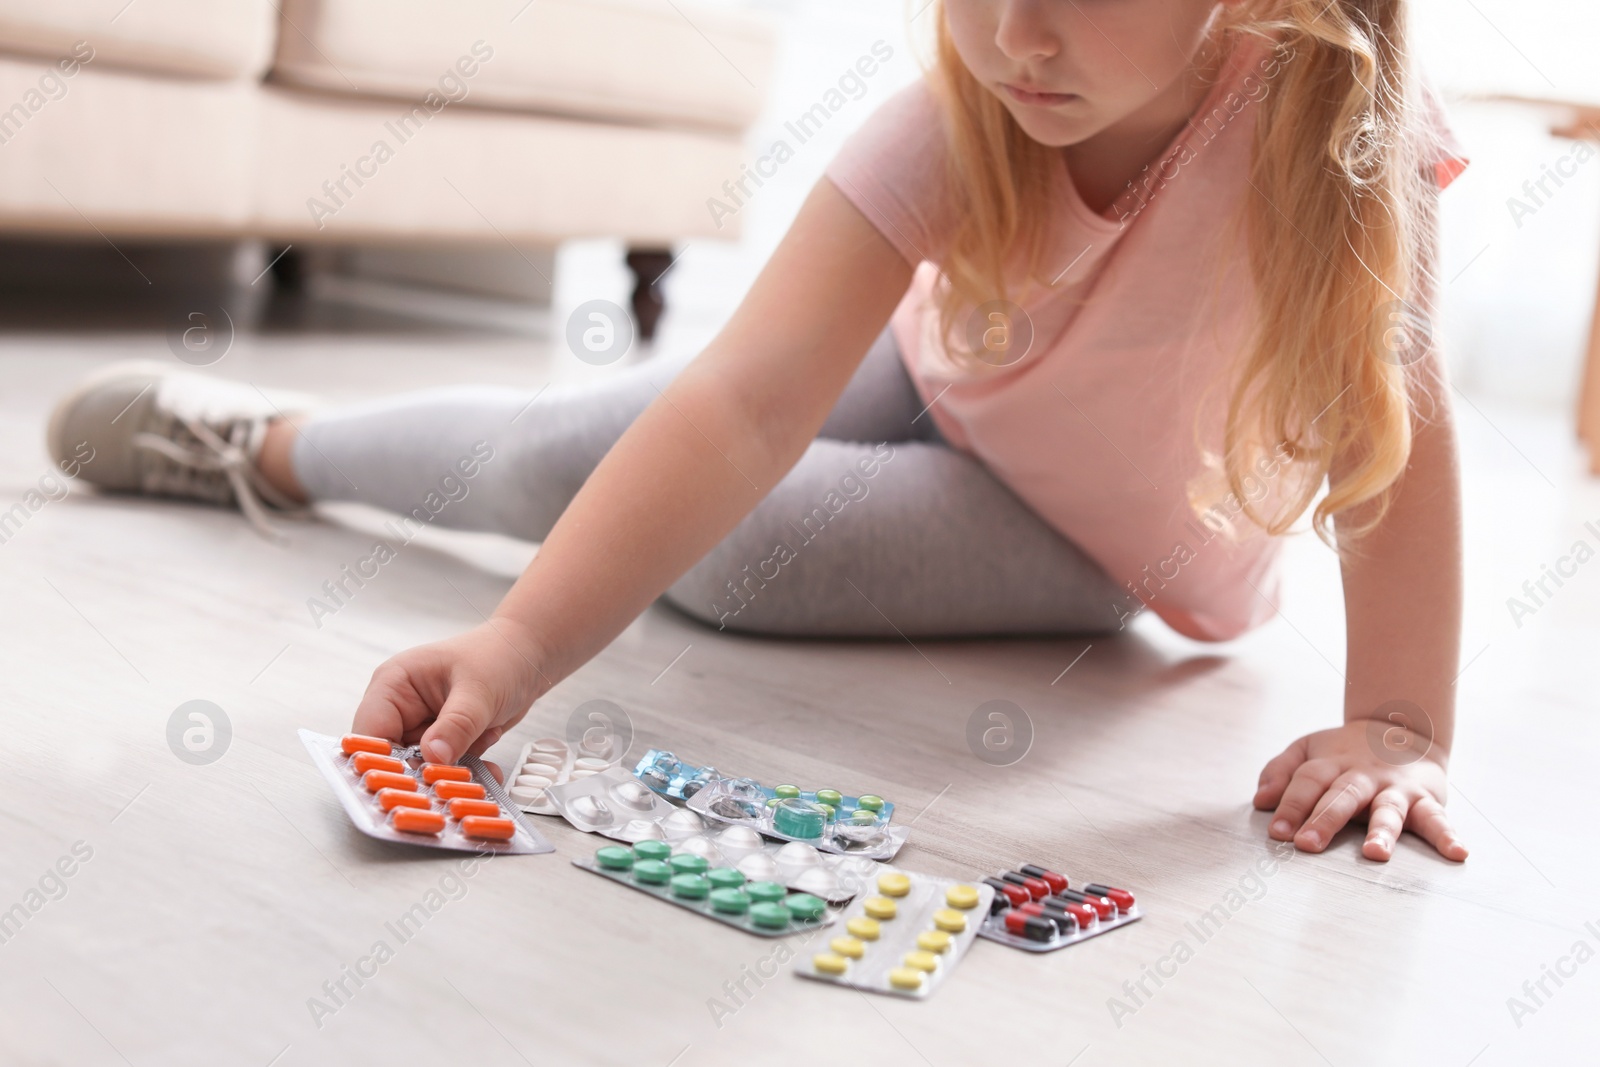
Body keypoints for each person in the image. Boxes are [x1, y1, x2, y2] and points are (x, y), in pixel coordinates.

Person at [49, 0, 1469, 863]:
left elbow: (1384, 425)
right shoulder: (963, 115)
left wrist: (1400, 724)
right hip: (948, 374)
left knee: (746, 555)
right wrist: (519, 645)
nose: (1017, 40)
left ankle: (304, 456)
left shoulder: (1330, 133)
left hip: (1103, 534)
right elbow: (739, 398)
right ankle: (273, 448)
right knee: (590, 448)